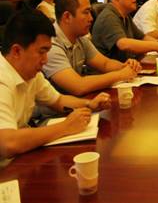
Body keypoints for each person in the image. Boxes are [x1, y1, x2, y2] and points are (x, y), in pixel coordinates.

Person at [0, 10, 111, 159]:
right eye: (41, 52)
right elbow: (8, 143)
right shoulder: (2, 80)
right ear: (16, 51)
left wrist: (90, 104)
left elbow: (58, 101)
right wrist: (65, 127)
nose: (45, 60)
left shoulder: (30, 74)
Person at [43, 0, 141, 96]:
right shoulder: (50, 45)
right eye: (86, 12)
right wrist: (121, 75)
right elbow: (78, 86)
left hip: (76, 102)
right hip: (58, 106)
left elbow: (105, 64)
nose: (91, 18)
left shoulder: (79, 38)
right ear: (67, 17)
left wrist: (126, 66)